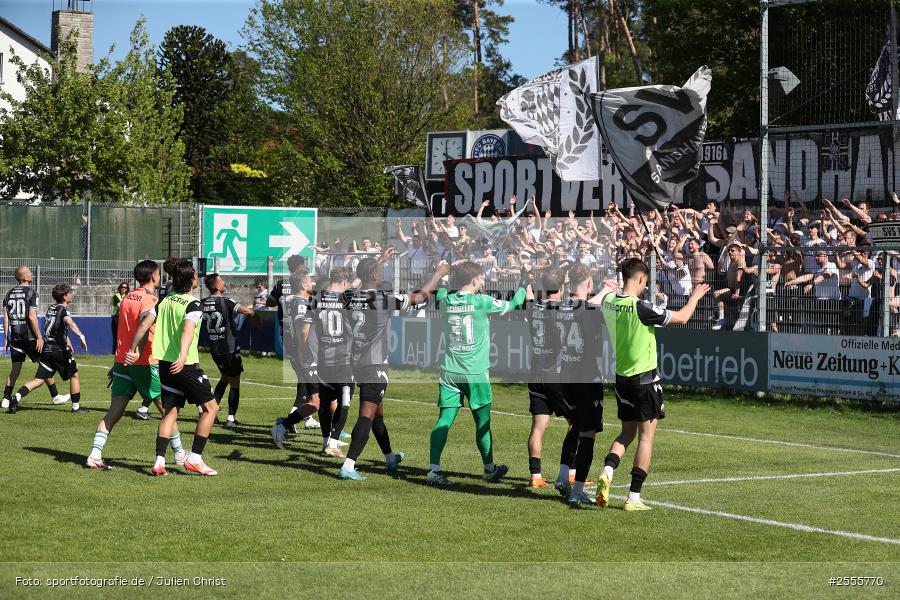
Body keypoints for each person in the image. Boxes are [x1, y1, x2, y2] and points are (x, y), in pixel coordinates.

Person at [597, 258, 710, 511]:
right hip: (645, 380)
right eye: (645, 282)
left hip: (622, 378)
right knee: (646, 438)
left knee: (626, 433)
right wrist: (694, 297)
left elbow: (606, 297)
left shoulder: (609, 302)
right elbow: (682, 318)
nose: (645, 286)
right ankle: (633, 498)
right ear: (639, 279)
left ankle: (607, 471)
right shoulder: (641, 308)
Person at [337, 250, 449, 481]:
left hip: (357, 361)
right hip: (374, 363)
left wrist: (376, 263)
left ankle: (389, 457)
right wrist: (438, 274)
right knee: (366, 415)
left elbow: (361, 282)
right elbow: (420, 296)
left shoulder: (349, 296)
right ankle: (348, 465)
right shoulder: (384, 298)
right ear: (375, 273)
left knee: (378, 414)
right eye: (379, 270)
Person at [426, 260, 526, 486]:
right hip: (476, 373)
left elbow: (440, 291)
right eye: (481, 277)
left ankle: (433, 469)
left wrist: (441, 274)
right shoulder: (483, 301)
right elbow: (513, 305)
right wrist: (524, 281)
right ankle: (489, 469)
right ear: (473, 280)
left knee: (444, 420)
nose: (483, 280)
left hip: (450, 371)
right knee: (482, 423)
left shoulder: (445, 300)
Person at [87, 260, 186, 469]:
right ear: (153, 276)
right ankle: (179, 455)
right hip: (144, 362)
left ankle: (95, 454)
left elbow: (125, 329)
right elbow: (143, 326)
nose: (160, 277)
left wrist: (121, 360)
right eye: (159, 274)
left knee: (114, 412)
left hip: (123, 361)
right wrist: (136, 351)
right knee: (168, 411)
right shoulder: (150, 299)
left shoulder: (127, 297)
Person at [126, 260, 219, 476]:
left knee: (171, 412)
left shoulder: (164, 300)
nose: (198, 277)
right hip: (183, 364)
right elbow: (188, 331)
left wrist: (134, 350)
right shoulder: (193, 304)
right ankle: (195, 458)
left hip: (165, 364)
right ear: (191, 280)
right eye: (195, 275)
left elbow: (144, 324)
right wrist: (183, 354)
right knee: (211, 409)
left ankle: (159, 461)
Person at [557, 264, 614, 507]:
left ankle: (562, 477)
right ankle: (577, 490)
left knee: (574, 427)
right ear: (588, 284)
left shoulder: (560, 305)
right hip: (586, 377)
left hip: (566, 376)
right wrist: (606, 290)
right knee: (587, 433)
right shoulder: (588, 307)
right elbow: (588, 307)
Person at [523, 267, 579, 490]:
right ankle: (571, 472)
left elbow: (528, 294)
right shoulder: (562, 308)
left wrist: (526, 280)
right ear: (562, 288)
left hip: (535, 373)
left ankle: (535, 476)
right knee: (576, 422)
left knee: (538, 426)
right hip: (556, 375)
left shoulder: (532, 306)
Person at [10, 284, 88, 414]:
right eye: (70, 293)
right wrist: (81, 336)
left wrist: (67, 341)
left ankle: (16, 397)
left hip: (47, 350)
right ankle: (76, 408)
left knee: (39, 380)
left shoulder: (51, 308)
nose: (72, 294)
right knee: (74, 375)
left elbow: (55, 329)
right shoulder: (64, 310)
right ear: (64, 296)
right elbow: (70, 323)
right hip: (58, 351)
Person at [2, 266, 69, 410]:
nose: (32, 273)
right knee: (47, 365)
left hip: (15, 338)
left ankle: (5, 399)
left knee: (15, 370)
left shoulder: (8, 294)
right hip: (30, 337)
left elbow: (6, 316)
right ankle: (55, 396)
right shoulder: (32, 292)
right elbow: (31, 317)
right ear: (25, 277)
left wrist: (7, 336)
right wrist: (39, 337)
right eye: (30, 272)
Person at [271, 269, 322, 447]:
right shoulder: (300, 303)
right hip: (307, 357)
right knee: (316, 402)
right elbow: (302, 329)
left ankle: (330, 440)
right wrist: (303, 352)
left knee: (317, 398)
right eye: (310, 281)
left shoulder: (297, 300)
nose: (312, 283)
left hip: (305, 355)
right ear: (302, 284)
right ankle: (283, 426)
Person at [201, 273, 256, 427]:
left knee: (225, 378)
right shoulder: (226, 301)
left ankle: (211, 412)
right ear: (217, 285)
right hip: (230, 349)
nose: (224, 282)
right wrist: (253, 312)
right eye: (222, 280)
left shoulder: (203, 302)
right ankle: (231, 418)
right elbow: (246, 311)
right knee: (235, 383)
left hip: (215, 349)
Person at [315, 267, 355, 457]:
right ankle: (332, 442)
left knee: (325, 400)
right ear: (345, 282)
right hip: (343, 359)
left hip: (323, 358)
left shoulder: (317, 298)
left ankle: (325, 441)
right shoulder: (347, 300)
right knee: (344, 401)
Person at [111, 282, 129, 354]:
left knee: (124, 336)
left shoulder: (128, 296)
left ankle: (123, 351)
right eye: (122, 287)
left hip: (125, 318)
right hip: (117, 318)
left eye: (125, 287)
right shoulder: (116, 296)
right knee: (117, 336)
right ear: (120, 287)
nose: (123, 289)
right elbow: (119, 305)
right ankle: (116, 352)